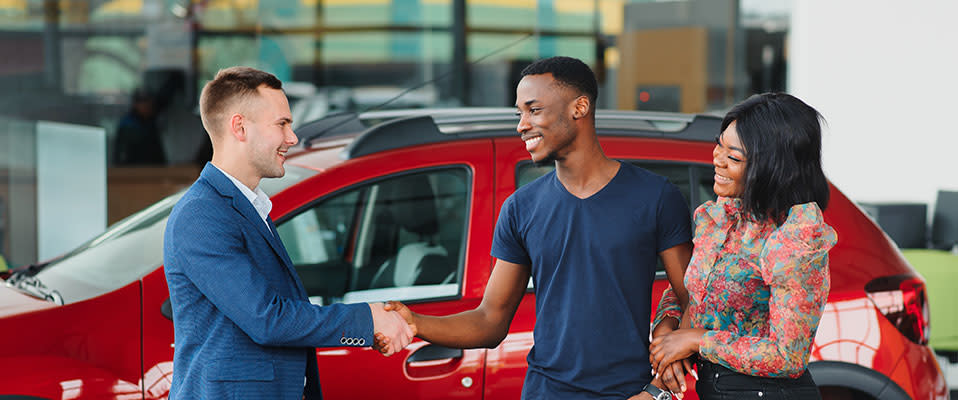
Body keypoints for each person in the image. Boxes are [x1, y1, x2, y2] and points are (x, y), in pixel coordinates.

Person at [381, 56, 694, 399]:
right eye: (520, 113)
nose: (521, 125)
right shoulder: (520, 208)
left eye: (533, 110)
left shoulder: (656, 197)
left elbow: (694, 299)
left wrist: (656, 391)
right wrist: (416, 322)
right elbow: (489, 321)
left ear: (580, 107)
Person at [163, 66, 414, 400]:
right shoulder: (202, 214)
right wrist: (366, 321)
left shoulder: (247, 207)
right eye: (282, 124)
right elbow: (266, 317)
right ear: (239, 127)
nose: (292, 138)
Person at [648, 93, 837, 399]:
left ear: (772, 168)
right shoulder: (725, 216)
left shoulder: (796, 238)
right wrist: (667, 330)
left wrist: (697, 340)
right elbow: (695, 287)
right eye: (719, 145)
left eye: (733, 157)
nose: (717, 159)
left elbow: (788, 356)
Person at [114, 88, 167, 165]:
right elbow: (121, 157)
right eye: (142, 102)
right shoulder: (128, 125)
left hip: (154, 170)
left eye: (149, 102)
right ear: (135, 104)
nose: (147, 105)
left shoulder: (150, 120)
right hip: (133, 172)